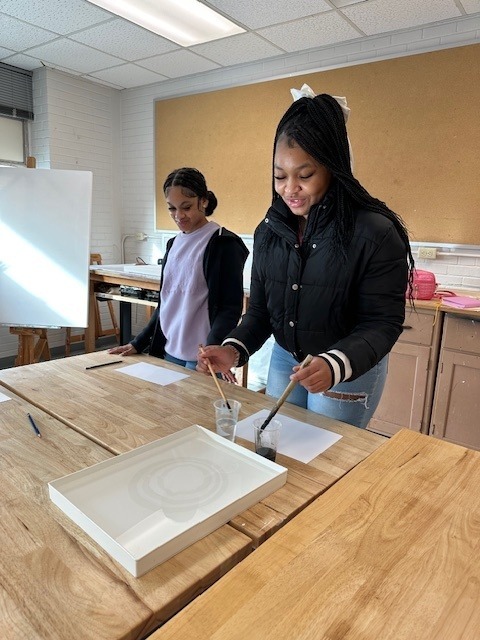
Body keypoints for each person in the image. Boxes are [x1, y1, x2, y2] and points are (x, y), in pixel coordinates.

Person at [198, 88, 415, 428]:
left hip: (346, 368)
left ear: (333, 167)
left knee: (326, 454)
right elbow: (261, 312)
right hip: (286, 358)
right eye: (279, 176)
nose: (289, 189)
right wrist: (233, 349)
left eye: (305, 175)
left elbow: (382, 323)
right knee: (278, 442)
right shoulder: (269, 231)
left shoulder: (375, 232)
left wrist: (335, 363)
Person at [109, 167, 248, 370]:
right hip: (168, 351)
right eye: (172, 208)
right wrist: (138, 342)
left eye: (186, 207)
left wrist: (213, 349)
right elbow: (166, 303)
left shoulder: (223, 244)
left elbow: (229, 308)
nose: (178, 215)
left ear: (203, 201)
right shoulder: (173, 244)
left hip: (202, 357)